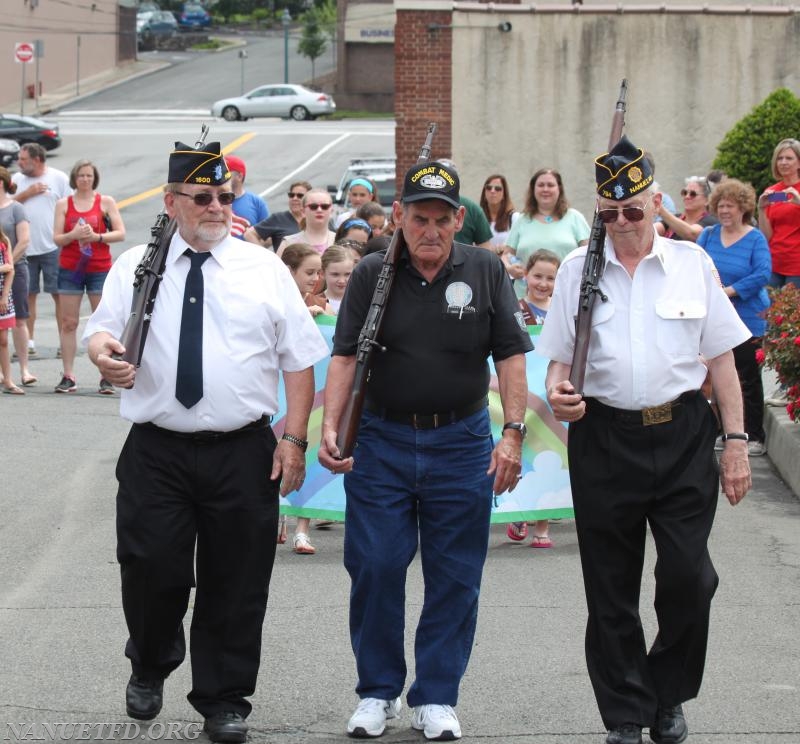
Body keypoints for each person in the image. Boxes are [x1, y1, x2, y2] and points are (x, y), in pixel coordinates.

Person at [82, 141, 329, 743]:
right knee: (148, 566)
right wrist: (103, 357)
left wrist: (293, 438)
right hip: (157, 448)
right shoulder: (137, 264)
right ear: (171, 203)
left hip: (241, 449)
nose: (217, 207)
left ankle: (225, 699)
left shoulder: (262, 268)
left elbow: (299, 361)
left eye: (223, 196)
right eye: (202, 197)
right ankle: (151, 656)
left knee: (238, 579)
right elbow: (102, 333)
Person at [537, 136, 752, 744]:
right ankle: (627, 713)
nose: (623, 224)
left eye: (634, 210)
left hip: (682, 434)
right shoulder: (580, 268)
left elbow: (723, 363)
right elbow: (556, 361)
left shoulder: (693, 264)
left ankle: (668, 690)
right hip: (604, 438)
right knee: (610, 584)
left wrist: (735, 443)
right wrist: (559, 392)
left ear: (656, 203)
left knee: (690, 577)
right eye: (609, 213)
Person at [318, 160, 533, 741]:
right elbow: (342, 355)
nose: (431, 230)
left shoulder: (486, 269)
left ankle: (436, 696)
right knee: (376, 566)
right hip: (383, 441)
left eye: (442, 219)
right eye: (419, 218)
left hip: (461, 443)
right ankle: (377, 691)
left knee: (456, 574)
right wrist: (330, 425)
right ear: (400, 217)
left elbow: (511, 355)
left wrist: (512, 431)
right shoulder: (370, 274)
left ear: (460, 219)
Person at [697, 179, 771, 456]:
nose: (725, 211)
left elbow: (763, 273)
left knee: (748, 379)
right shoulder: (708, 235)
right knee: (713, 376)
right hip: (713, 316)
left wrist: (729, 291)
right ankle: (720, 431)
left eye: (731, 206)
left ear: (744, 208)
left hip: (747, 316)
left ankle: (754, 435)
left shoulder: (755, 238)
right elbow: (698, 266)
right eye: (721, 206)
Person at [52, 159, 126, 394]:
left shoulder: (105, 202)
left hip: (98, 267)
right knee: (68, 322)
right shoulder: (64, 204)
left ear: (95, 178)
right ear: (74, 178)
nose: (85, 179)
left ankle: (106, 375)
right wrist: (73, 234)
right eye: (82, 175)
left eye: (89, 176)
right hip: (71, 268)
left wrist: (97, 237)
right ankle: (68, 374)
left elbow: (120, 232)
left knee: (101, 321)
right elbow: (57, 238)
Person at [506, 249, 561, 547]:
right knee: (524, 454)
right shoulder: (516, 309)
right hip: (524, 393)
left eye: (550, 278)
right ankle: (519, 509)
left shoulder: (561, 311)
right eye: (538, 276)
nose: (543, 283)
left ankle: (543, 526)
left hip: (551, 395)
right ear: (525, 275)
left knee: (550, 454)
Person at [280, 242, 327, 555]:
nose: (315, 278)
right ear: (289, 272)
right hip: (278, 396)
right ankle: (279, 518)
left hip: (307, 398)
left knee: (304, 453)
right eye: (309, 272)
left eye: (318, 273)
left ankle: (301, 528)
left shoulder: (317, 306)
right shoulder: (276, 303)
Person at [11, 143, 71, 357]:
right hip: (25, 248)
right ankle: (28, 343)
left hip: (53, 247)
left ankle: (63, 342)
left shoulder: (58, 178)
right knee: (28, 297)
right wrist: (26, 193)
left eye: (23, 159)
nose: (19, 162)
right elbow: (6, 205)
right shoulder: (18, 181)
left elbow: (70, 206)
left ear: (37, 160)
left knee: (59, 295)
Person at [503, 168, 590, 297]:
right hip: (526, 300)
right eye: (541, 185)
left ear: (559, 189)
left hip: (566, 295)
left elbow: (588, 254)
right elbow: (506, 255)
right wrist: (509, 268)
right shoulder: (522, 220)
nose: (545, 189)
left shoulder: (575, 218)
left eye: (550, 185)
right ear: (533, 189)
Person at [0, 167, 36, 387]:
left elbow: (24, 240)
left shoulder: (16, 208)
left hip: (16, 269)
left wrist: (6, 264)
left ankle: (24, 369)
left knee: (19, 319)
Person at [757, 138, 800, 289]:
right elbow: (766, 236)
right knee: (768, 310)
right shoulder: (773, 191)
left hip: (797, 266)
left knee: (792, 311)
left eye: (789, 158)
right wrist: (761, 209)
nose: (783, 162)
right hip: (774, 263)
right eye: (780, 158)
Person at [243, 180, 311, 250]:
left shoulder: (314, 219)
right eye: (291, 195)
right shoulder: (278, 219)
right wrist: (265, 255)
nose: (294, 198)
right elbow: (249, 234)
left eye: (300, 196)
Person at [276, 189, 336, 257]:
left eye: (325, 206)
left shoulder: (340, 241)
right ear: (303, 212)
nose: (319, 210)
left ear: (331, 211)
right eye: (313, 206)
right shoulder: (288, 243)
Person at [655, 176, 717, 241]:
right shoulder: (676, 217)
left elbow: (691, 234)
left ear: (707, 200)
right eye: (684, 193)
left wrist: (660, 209)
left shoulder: (710, 221)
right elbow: (653, 230)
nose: (687, 196)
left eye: (693, 194)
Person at [224, 154, 268, 239]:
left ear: (240, 176)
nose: (221, 176)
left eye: (226, 173)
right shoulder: (212, 200)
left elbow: (268, 236)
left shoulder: (257, 203)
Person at [0, 224, 21, 394]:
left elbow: (11, 270)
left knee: (3, 340)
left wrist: (5, 296)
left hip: (2, 296)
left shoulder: (4, 240)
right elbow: (5, 268)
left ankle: (8, 380)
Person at [479, 173, 519, 252]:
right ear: (484, 193)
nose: (493, 191)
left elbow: (517, 245)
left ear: (504, 194)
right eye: (489, 188)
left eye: (498, 189)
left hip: (505, 263)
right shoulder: (477, 217)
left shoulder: (514, 217)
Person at [320, 244, 355, 315]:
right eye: (335, 274)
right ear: (322, 273)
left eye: (347, 274)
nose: (341, 281)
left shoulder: (360, 302)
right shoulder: (313, 302)